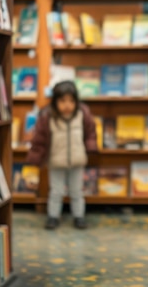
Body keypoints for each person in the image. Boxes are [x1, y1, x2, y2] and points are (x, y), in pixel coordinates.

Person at [27, 81, 97, 230]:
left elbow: (90, 133)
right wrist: (36, 156)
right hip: (56, 161)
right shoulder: (47, 117)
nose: (67, 105)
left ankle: (79, 216)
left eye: (71, 101)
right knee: (56, 191)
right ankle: (53, 216)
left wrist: (91, 148)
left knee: (76, 191)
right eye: (62, 101)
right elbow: (39, 139)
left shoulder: (82, 114)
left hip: (77, 160)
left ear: (77, 101)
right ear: (55, 101)